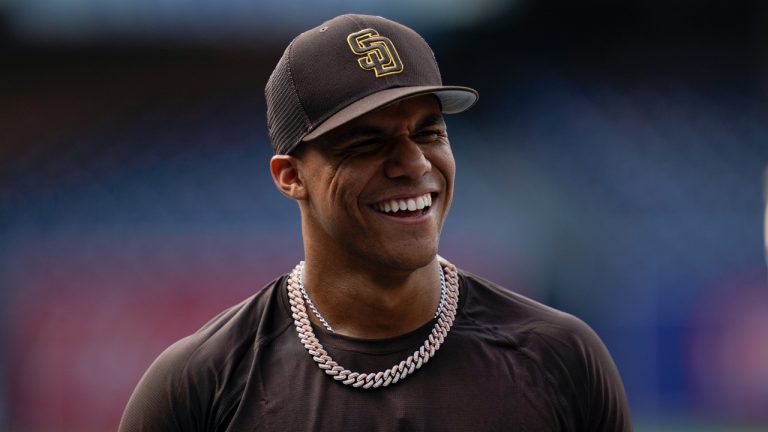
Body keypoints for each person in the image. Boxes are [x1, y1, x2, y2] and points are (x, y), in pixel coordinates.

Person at [119, 14, 632, 431]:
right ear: (291, 176)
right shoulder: (199, 384)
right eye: (367, 143)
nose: (413, 164)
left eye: (429, 133)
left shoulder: (559, 357)